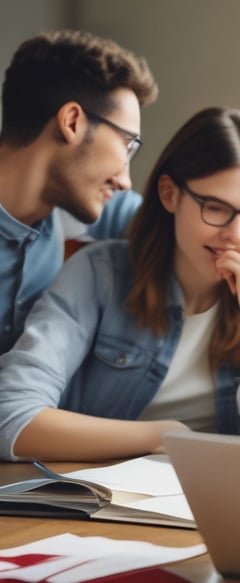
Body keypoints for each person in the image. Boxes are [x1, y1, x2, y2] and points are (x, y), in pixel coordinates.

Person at [0, 106, 240, 461]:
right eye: (215, 208)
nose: (237, 235)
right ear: (170, 195)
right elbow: (12, 417)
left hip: (231, 505)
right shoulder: (99, 273)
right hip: (102, 497)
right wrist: (160, 436)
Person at [0, 29, 157, 354]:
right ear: (72, 122)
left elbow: (175, 227)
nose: (125, 181)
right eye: (127, 145)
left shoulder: (73, 204)